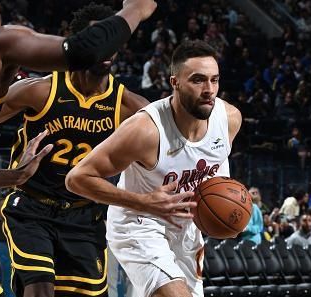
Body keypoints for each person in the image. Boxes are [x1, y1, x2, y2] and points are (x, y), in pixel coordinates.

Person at [0, 0, 157, 295]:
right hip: (34, 208)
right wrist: (137, 8)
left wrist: (13, 176)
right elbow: (82, 50)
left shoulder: (129, 105)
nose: (2, 19)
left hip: (83, 215)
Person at [66, 40, 242, 297]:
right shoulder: (146, 130)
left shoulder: (229, 120)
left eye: (214, 80)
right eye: (198, 80)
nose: (209, 90)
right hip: (139, 222)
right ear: (175, 83)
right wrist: (143, 202)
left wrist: (230, 211)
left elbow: (216, 184)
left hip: (185, 229)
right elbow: (77, 178)